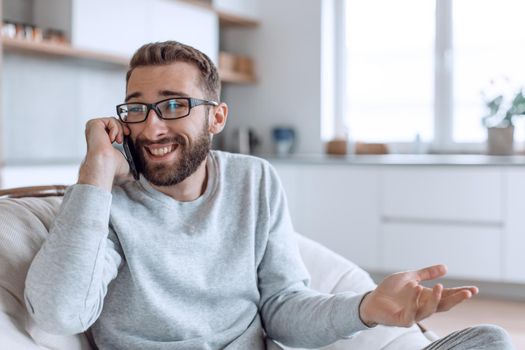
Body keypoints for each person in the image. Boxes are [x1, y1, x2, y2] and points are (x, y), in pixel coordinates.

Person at [24, 41, 514, 350]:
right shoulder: (102, 202)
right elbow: (58, 313)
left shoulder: (254, 181)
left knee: (491, 340)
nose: (152, 127)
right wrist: (95, 171)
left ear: (216, 117)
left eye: (173, 105)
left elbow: (283, 309)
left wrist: (365, 309)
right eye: (136, 110)